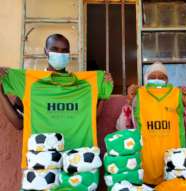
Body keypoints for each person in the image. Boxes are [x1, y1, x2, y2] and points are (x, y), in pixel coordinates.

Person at [0, 33, 113, 168]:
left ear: (69, 54)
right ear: (45, 51)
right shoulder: (30, 83)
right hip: (42, 162)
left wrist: (102, 93)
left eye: (64, 51)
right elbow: (19, 124)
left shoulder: (85, 84)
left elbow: (92, 117)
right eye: (55, 49)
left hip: (77, 161)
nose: (60, 54)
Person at [116, 62, 186, 185]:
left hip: (173, 163)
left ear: (167, 80)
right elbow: (122, 128)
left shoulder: (175, 96)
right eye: (152, 77)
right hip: (146, 164)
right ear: (146, 79)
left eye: (161, 77)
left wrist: (185, 104)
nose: (157, 79)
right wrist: (130, 101)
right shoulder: (139, 97)